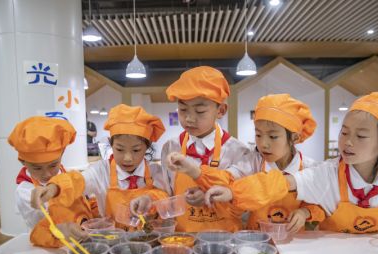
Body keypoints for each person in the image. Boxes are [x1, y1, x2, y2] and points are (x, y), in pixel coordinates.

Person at [207, 92, 378, 234]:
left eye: (361, 136)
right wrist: (234, 193)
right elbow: (281, 183)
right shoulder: (326, 174)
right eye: (344, 132)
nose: (348, 142)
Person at [168, 94, 325, 233]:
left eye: (273, 136)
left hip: (294, 241)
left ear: (295, 138)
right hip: (256, 240)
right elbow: (228, 177)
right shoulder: (253, 161)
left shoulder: (309, 168)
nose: (263, 144)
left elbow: (322, 203)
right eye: (258, 134)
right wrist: (194, 171)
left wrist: (305, 212)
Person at [31, 105, 169, 231]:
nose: (128, 158)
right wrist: (54, 187)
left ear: (147, 147)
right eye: (120, 149)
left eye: (136, 150)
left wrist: (149, 199)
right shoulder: (101, 171)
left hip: (148, 239)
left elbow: (165, 199)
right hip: (113, 241)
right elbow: (77, 180)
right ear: (111, 144)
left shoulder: (154, 172)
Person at [162, 66, 250, 232]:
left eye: (200, 111)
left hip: (225, 241)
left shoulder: (239, 151)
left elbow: (245, 203)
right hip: (183, 239)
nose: (189, 118)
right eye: (182, 110)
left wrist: (215, 195)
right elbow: (168, 195)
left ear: (221, 111)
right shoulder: (171, 148)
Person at [8, 116, 94, 247]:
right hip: (55, 248)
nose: (47, 174)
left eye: (53, 165)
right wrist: (60, 230)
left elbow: (87, 198)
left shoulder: (68, 175)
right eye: (37, 168)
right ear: (23, 162)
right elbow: (39, 229)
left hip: (86, 240)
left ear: (62, 155)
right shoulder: (25, 191)